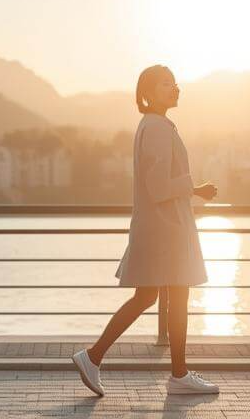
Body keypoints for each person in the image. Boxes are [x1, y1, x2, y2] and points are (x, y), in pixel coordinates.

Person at [72, 64, 219, 396]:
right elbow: (157, 186)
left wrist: (191, 191)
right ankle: (173, 375)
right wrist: (194, 188)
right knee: (170, 295)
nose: (175, 88)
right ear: (148, 92)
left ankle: (95, 357)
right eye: (166, 84)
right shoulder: (155, 128)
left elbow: (157, 186)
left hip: (162, 227)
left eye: (175, 82)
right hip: (165, 230)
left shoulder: (156, 125)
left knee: (150, 296)